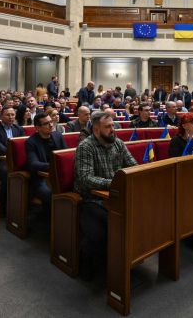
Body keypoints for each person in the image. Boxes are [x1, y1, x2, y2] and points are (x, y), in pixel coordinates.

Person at [74, 110, 137, 280]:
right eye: (108, 126)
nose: (113, 129)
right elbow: (86, 178)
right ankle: (96, 270)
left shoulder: (118, 143)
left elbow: (133, 165)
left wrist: (130, 177)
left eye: (113, 125)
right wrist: (114, 183)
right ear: (96, 130)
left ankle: (128, 260)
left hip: (116, 194)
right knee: (106, 228)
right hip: (92, 198)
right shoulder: (85, 147)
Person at [25, 112, 66, 224]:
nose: (51, 125)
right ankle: (51, 223)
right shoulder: (31, 142)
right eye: (47, 123)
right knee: (50, 194)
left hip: (59, 175)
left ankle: (68, 222)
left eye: (51, 122)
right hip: (41, 178)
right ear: (37, 127)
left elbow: (66, 155)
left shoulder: (57, 135)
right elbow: (33, 164)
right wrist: (54, 166)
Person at [0, 106, 24, 214]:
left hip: (16, 160)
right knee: (8, 172)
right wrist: (13, 154)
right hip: (0, 163)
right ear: (1, 116)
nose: (11, 117)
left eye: (13, 115)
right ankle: (2, 206)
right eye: (8, 115)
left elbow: (23, 145)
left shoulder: (19, 129)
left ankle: (23, 203)